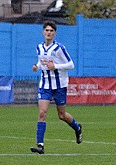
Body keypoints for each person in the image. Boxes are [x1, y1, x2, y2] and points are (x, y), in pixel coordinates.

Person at [30, 20, 82, 155]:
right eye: (47, 30)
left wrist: (56, 66)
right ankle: (40, 145)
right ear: (43, 32)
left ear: (55, 33)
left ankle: (77, 128)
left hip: (59, 86)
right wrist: (37, 66)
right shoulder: (39, 47)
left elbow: (71, 65)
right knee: (42, 113)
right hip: (45, 84)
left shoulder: (59, 48)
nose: (48, 33)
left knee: (62, 115)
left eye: (51, 31)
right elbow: (42, 62)